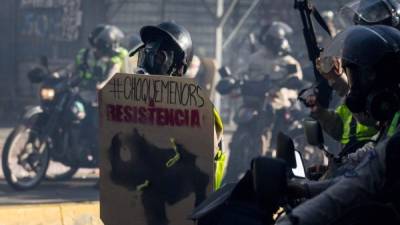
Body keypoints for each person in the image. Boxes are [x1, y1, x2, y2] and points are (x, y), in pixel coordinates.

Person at [277, 24, 400, 225]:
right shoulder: (390, 131)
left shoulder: (395, 140)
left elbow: (357, 185)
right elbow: (360, 171)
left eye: (362, 78)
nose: (355, 91)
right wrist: (305, 188)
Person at [131, 21, 226, 189]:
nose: (148, 63)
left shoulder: (196, 107)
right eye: (146, 55)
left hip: (186, 203)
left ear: (179, 67)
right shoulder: (146, 102)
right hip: (147, 201)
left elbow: (200, 163)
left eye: (158, 58)